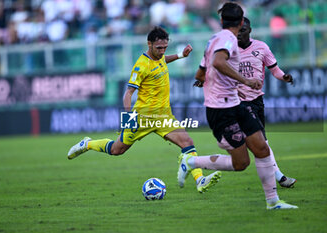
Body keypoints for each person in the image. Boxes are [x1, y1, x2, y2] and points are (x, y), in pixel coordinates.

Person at [67, 26, 221, 193]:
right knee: (116, 149)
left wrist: (180, 55)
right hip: (143, 118)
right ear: (149, 44)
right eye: (159, 48)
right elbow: (128, 93)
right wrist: (128, 118)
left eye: (165, 48)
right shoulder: (141, 65)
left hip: (163, 116)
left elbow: (162, 60)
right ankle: (87, 144)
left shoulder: (159, 56)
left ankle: (200, 180)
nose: (162, 51)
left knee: (187, 143)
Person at [178, 2, 298, 209]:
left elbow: (200, 73)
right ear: (241, 21)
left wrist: (214, 82)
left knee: (262, 148)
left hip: (236, 104)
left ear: (221, 21)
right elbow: (218, 62)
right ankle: (191, 162)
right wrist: (245, 80)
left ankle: (273, 202)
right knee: (241, 163)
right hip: (221, 110)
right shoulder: (227, 39)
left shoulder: (215, 39)